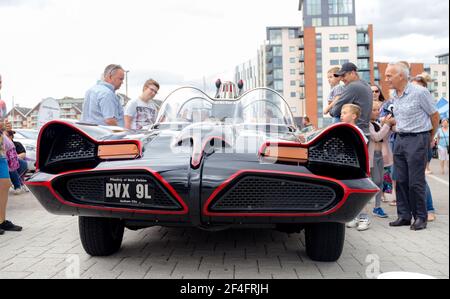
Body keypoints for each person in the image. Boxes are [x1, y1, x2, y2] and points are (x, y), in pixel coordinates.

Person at [385, 62, 440, 231]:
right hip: (400, 138)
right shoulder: (395, 95)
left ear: (401, 76)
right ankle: (404, 215)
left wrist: (430, 136)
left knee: (415, 181)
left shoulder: (420, 92)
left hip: (418, 139)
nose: (386, 79)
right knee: (400, 179)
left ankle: (420, 217)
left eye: (389, 76)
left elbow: (435, 115)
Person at [340, 104, 370, 231]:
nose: (341, 114)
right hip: (346, 166)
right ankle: (354, 217)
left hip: (356, 168)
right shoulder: (343, 129)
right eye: (341, 112)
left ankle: (364, 218)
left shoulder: (357, 131)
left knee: (359, 193)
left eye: (345, 112)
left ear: (353, 116)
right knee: (350, 193)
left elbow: (363, 147)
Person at [0, 74, 22, 235]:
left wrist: (3, 127)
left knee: (5, 183)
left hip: (0, 148)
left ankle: (1, 221)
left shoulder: (2, 104)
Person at [330, 62, 373, 135]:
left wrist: (330, 109)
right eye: (341, 76)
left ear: (353, 73)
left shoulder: (353, 86)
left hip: (354, 132)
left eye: (344, 75)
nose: (342, 79)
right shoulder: (366, 85)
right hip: (365, 131)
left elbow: (335, 111)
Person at [369, 101, 393, 218]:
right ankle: (369, 206)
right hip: (372, 156)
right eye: (374, 110)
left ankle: (377, 207)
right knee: (377, 181)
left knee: (380, 182)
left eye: (378, 110)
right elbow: (376, 137)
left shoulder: (377, 123)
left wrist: (388, 126)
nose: (377, 112)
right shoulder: (368, 125)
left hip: (380, 156)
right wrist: (387, 125)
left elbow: (384, 137)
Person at [411, 72, 435, 174]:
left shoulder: (425, 96)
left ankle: (426, 167)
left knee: (417, 174)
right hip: (411, 136)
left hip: (422, 134)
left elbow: (434, 116)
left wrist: (432, 135)